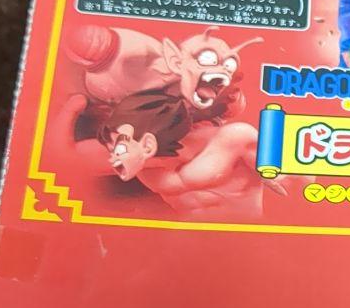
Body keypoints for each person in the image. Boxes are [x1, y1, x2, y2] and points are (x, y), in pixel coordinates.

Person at [96, 88, 282, 217]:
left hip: (244, 243)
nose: (113, 157)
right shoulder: (138, 162)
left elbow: (291, 179)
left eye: (118, 150)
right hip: (188, 246)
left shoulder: (236, 138)